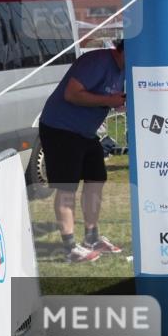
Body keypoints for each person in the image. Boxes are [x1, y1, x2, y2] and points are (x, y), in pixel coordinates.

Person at [38, 41, 126, 263]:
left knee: (96, 181)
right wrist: (109, 101)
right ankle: (70, 248)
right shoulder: (96, 61)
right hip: (61, 128)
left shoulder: (122, 68)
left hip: (86, 132)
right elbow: (72, 94)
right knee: (67, 187)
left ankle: (91, 239)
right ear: (123, 50)